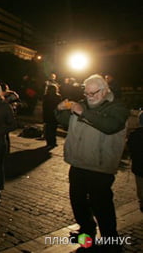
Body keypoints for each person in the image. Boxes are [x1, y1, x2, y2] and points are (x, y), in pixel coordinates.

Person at [55, 74, 129, 252]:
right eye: (86, 93)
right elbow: (63, 120)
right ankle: (86, 237)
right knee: (78, 204)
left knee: (102, 208)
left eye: (93, 93)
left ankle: (111, 243)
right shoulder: (82, 103)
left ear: (105, 91)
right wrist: (59, 110)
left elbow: (110, 126)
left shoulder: (117, 108)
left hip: (100, 168)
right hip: (78, 164)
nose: (89, 97)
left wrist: (83, 112)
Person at [128, 111, 143, 212]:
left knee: (140, 185)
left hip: (139, 165)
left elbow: (130, 148)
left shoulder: (134, 134)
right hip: (139, 165)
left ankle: (142, 202)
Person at [42, 84, 62, 149]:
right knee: (53, 129)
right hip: (54, 114)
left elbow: (44, 106)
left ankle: (49, 142)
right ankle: (53, 142)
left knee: (48, 129)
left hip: (47, 114)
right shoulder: (58, 97)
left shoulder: (46, 96)